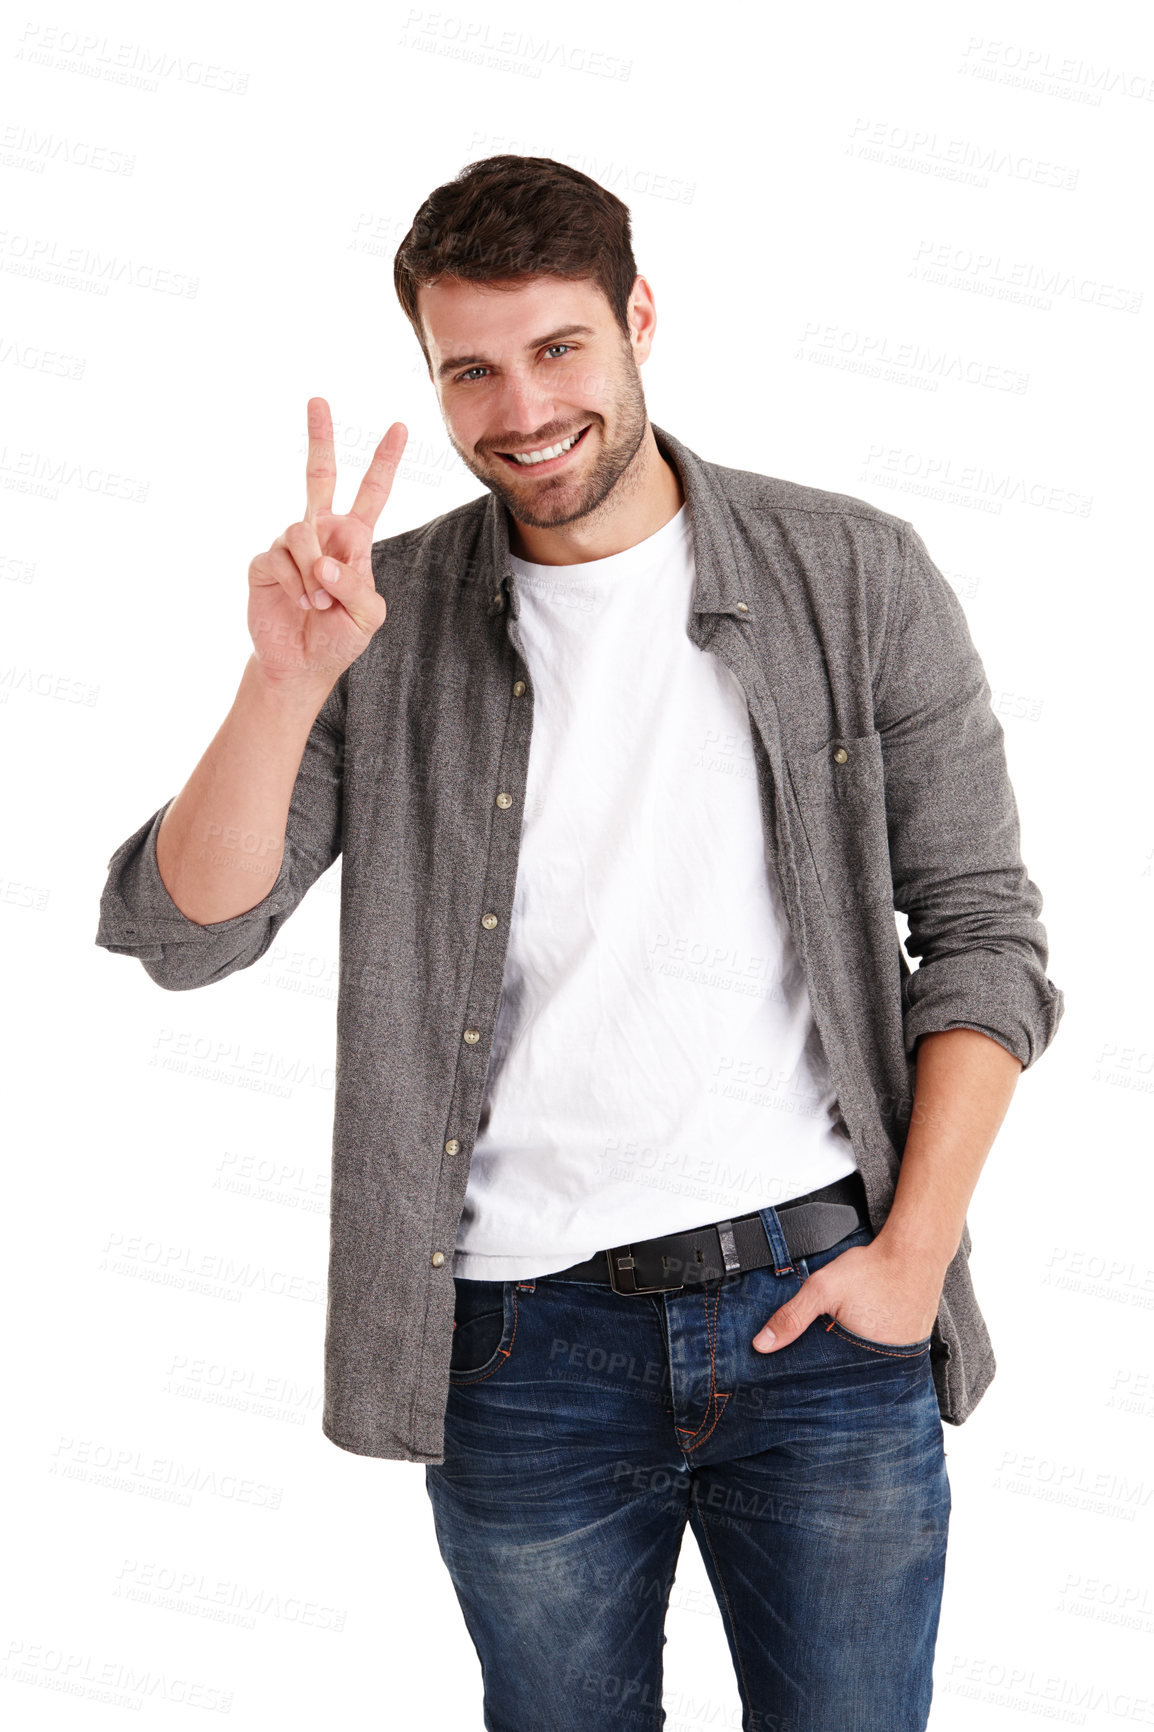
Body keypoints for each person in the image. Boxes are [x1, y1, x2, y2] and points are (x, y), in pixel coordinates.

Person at [95, 156, 1065, 1731]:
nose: (521, 408)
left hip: (819, 1316)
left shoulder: (852, 572)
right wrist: (283, 681)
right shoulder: (379, 617)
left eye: (558, 351)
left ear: (639, 321)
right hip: (515, 1352)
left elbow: (981, 936)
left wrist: (911, 1260)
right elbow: (187, 931)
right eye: (469, 368)